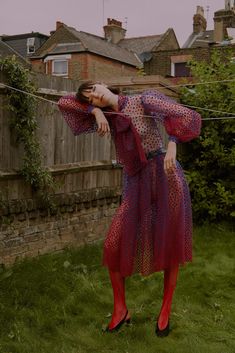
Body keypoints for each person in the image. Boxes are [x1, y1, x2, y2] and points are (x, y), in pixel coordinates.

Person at [58, 82, 201, 336]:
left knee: (169, 244)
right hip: (136, 183)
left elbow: (185, 114)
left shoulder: (143, 100)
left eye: (93, 88)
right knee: (113, 244)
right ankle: (121, 309)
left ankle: (165, 311)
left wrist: (173, 142)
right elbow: (63, 102)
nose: (94, 95)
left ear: (104, 84)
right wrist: (94, 111)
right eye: (89, 96)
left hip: (166, 176)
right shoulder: (108, 118)